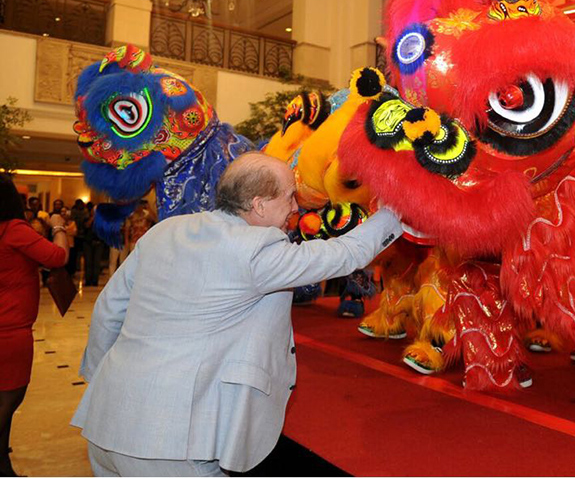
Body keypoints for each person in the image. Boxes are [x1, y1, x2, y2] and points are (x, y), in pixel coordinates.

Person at [71, 152, 402, 476]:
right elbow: (346, 254)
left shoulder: (164, 231)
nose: (295, 208)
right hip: (171, 444)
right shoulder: (255, 248)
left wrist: (106, 378)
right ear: (258, 204)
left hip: (106, 422)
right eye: (289, 197)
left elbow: (108, 310)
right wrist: (400, 209)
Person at [0, 175, 69, 477]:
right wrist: (58, 226)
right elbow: (58, 256)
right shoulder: (14, 229)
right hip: (10, 328)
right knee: (10, 397)